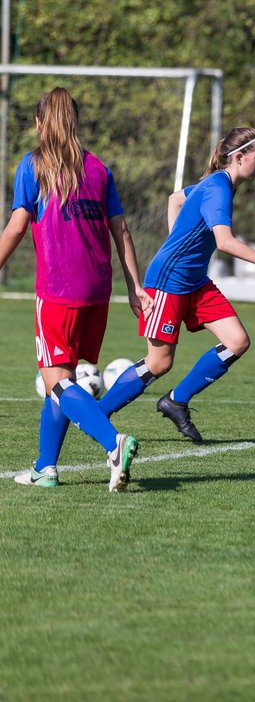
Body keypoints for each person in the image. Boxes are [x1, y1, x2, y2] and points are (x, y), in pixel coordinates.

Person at [95, 127, 255, 442]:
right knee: (159, 363)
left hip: (194, 282)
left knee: (237, 341)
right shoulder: (218, 186)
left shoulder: (219, 184)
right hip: (168, 282)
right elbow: (225, 241)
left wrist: (176, 237)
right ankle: (97, 415)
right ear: (239, 157)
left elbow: (175, 199)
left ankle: (175, 401)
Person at [0, 87, 147, 491]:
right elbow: (122, 229)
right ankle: (45, 467)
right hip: (99, 290)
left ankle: (112, 443)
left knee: (57, 381)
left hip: (59, 291)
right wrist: (135, 286)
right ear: (76, 122)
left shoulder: (33, 166)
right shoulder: (98, 168)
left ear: (39, 123)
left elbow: (15, 228)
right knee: (62, 380)